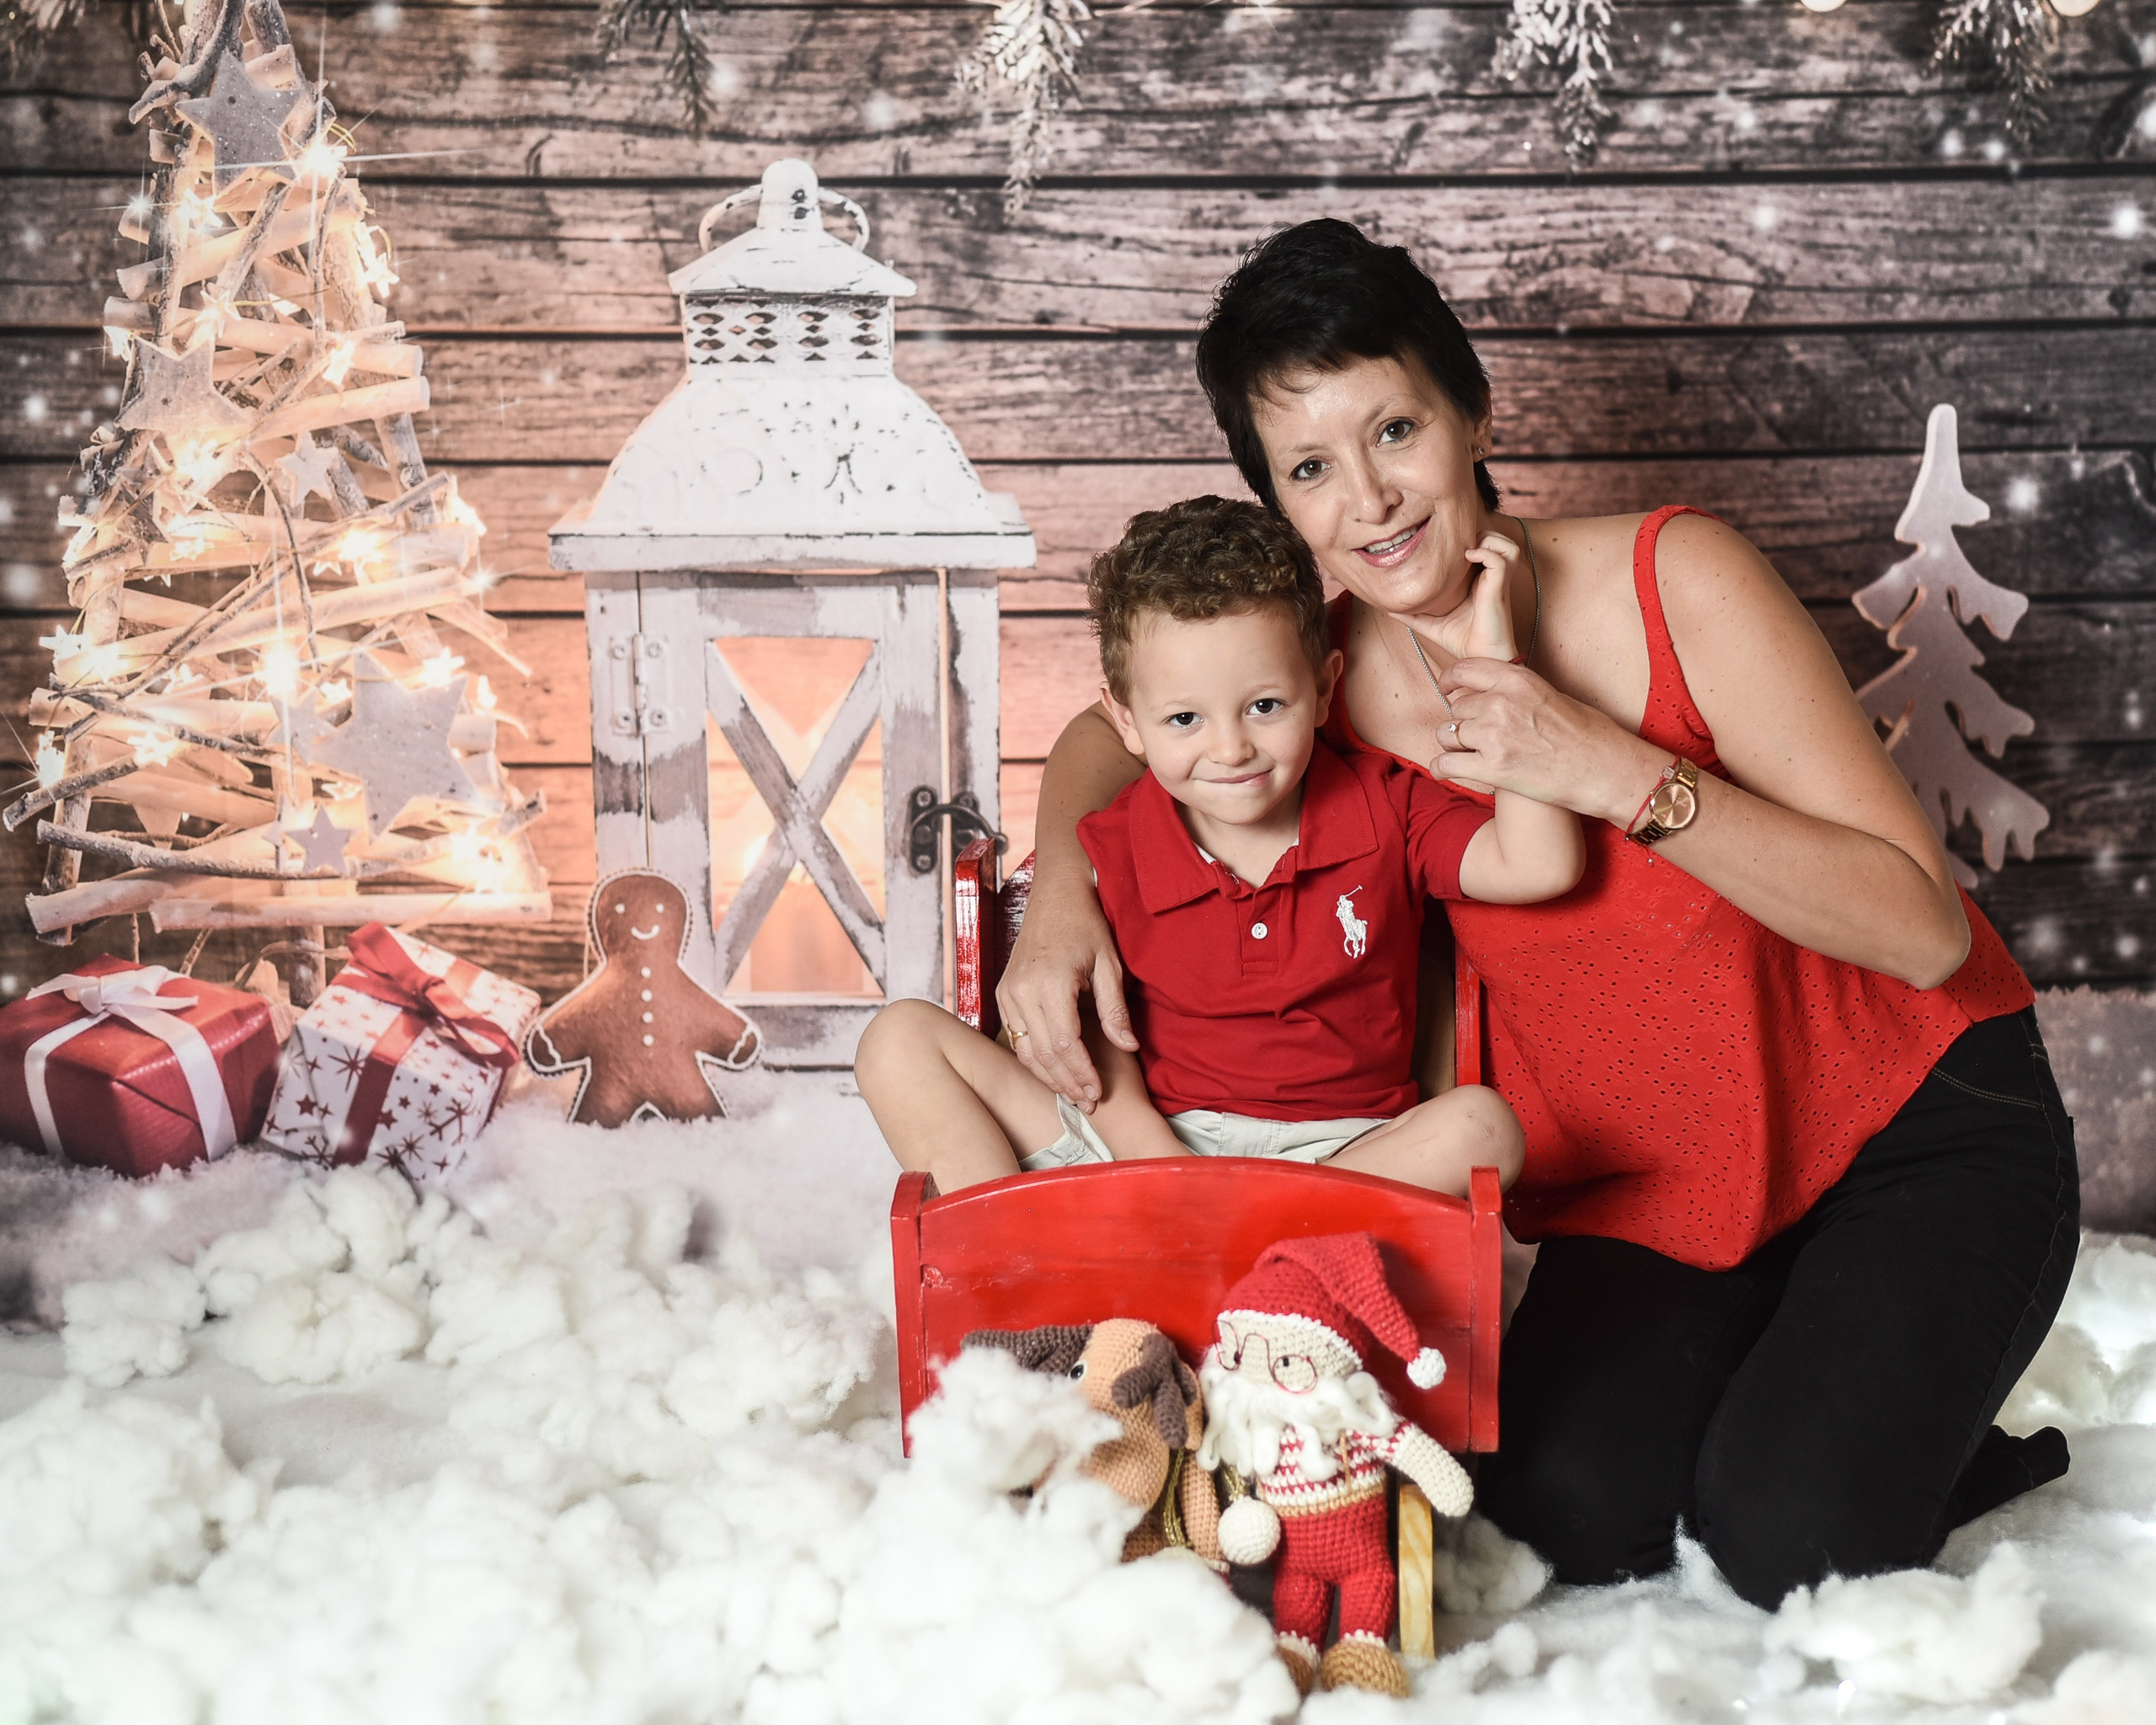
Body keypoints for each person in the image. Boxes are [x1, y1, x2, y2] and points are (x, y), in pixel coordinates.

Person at [996, 218, 2078, 1610]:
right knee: (1563, 1513)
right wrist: (1065, 894)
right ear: (1279, 502)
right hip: (1667, 1186)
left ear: (1472, 411)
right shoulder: (1317, 676)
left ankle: (1916, 1425)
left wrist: (1613, 769)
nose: (1371, 496)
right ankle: (1817, 1381)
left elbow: (1924, 930)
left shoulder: (1676, 577)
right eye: (1311, 468)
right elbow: (1109, 731)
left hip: (1917, 1121)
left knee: (1789, 1538)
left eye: (1396, 428)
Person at [855, 494, 1580, 1198]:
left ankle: (1231, 1253)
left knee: (1486, 1129)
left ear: (1325, 689)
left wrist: (1499, 678)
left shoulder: (1386, 806)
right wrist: (1159, 1163)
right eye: (1183, 719)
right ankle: (1014, 1274)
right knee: (899, 1041)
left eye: (1265, 706)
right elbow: (1094, 1027)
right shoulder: (1113, 838)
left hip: (1341, 1160)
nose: (1231, 748)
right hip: (1144, 1150)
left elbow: (1541, 864)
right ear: (1127, 722)